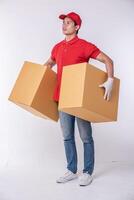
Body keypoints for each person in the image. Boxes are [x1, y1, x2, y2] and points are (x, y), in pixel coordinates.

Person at [44, 12, 114, 186]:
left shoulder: (84, 46)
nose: (64, 25)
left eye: (68, 23)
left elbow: (108, 60)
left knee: (85, 137)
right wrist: (37, 76)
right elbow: (49, 64)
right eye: (63, 22)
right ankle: (71, 170)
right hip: (62, 97)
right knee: (67, 136)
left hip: (80, 98)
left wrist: (110, 80)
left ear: (77, 27)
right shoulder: (57, 47)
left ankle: (87, 172)